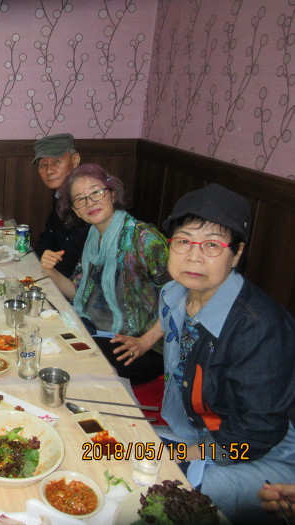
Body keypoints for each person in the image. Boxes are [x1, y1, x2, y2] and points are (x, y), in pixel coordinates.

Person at [154, 183, 295, 524]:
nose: (194, 256)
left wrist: (185, 455)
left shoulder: (259, 328)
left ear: (237, 254)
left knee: (162, 492)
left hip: (263, 454)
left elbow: (256, 434)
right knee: (108, 447)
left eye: (213, 245)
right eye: (184, 240)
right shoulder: (174, 294)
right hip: (198, 431)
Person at [41, 163, 168, 384]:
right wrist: (49, 270)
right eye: (80, 199)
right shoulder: (93, 238)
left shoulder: (143, 238)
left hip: (137, 347)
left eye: (96, 192)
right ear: (75, 210)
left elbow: (182, 295)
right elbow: (77, 291)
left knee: (61, 365)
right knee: (41, 339)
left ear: (113, 193)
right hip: (99, 332)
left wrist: (146, 341)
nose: (90, 202)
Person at [32, 133, 90, 277]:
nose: (49, 170)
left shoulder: (87, 198)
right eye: (43, 164)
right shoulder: (59, 194)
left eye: (56, 161)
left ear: (75, 160)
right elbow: (48, 237)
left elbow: (73, 254)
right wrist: (41, 257)